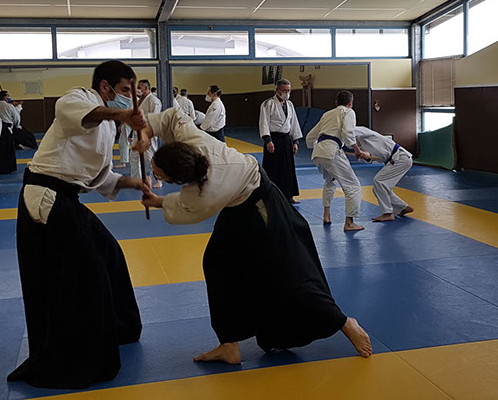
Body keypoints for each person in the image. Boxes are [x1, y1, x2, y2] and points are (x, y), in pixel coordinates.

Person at [138, 107, 372, 365]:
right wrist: (147, 131)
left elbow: (185, 209)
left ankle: (343, 322)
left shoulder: (207, 192)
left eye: (160, 175)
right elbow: (173, 117)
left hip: (262, 205)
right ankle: (228, 344)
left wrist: (158, 202)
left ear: (180, 178)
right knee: (217, 264)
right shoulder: (191, 141)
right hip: (237, 203)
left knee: (288, 273)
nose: (156, 174)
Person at [7, 60, 149, 390]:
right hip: (45, 195)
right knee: (85, 275)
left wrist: (133, 183)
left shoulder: (109, 125)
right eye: (124, 90)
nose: (128, 97)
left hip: (68, 198)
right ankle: (72, 358)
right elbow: (78, 113)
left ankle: (120, 328)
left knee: (109, 254)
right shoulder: (79, 98)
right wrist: (122, 114)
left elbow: (97, 176)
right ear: (105, 87)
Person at [306, 91, 371, 232]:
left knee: (330, 181)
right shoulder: (348, 112)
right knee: (353, 186)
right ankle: (349, 223)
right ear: (350, 103)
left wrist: (316, 147)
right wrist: (357, 150)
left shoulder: (327, 114)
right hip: (332, 151)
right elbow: (348, 133)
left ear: (336, 102)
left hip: (318, 153)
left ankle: (326, 215)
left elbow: (310, 137)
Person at [353, 126, 414, 222]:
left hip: (400, 158)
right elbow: (371, 157)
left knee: (379, 182)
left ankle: (388, 213)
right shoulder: (360, 145)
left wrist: (358, 150)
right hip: (395, 160)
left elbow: (349, 132)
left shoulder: (362, 132)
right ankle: (403, 207)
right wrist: (365, 156)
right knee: (379, 189)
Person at [258, 78, 303, 204]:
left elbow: (294, 123)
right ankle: (269, 196)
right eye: (284, 90)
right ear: (277, 90)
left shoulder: (290, 104)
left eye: (289, 90)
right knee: (272, 168)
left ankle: (288, 196)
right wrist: (268, 140)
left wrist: (295, 142)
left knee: (288, 169)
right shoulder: (268, 104)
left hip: (286, 139)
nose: (287, 93)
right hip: (274, 139)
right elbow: (264, 122)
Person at [130, 80, 162, 188]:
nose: (138, 89)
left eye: (140, 87)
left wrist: (150, 135)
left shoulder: (154, 100)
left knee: (149, 158)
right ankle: (137, 179)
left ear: (146, 88)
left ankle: (158, 180)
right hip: (137, 133)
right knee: (134, 157)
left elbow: (155, 118)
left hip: (148, 133)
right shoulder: (139, 100)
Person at [0, 91, 18, 174]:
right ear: (4, 97)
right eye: (8, 95)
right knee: (7, 149)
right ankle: (8, 168)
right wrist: (16, 126)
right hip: (6, 129)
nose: (9, 97)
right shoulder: (9, 106)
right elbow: (16, 118)